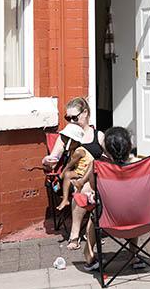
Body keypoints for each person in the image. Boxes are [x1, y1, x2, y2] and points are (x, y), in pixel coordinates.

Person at [42, 97, 105, 250]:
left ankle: (90, 231)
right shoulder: (66, 136)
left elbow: (108, 158)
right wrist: (47, 160)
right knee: (83, 189)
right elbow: (54, 157)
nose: (71, 121)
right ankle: (75, 234)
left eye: (74, 117)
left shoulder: (99, 136)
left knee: (91, 186)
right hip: (76, 180)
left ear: (85, 113)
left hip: (97, 179)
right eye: (67, 118)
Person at [81, 126, 144, 271]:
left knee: (94, 211)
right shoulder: (141, 166)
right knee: (131, 205)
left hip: (109, 221)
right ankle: (134, 254)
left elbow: (92, 185)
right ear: (129, 146)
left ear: (107, 150)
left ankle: (89, 255)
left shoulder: (99, 168)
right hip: (141, 220)